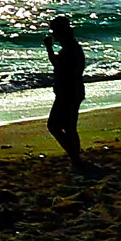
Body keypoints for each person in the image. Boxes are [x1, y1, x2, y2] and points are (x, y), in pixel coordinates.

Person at [45, 15, 89, 169]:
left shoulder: (70, 49)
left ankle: (75, 157)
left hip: (68, 92)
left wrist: (49, 48)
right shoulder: (72, 47)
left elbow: (61, 67)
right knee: (68, 126)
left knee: (56, 126)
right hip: (71, 92)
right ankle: (75, 157)